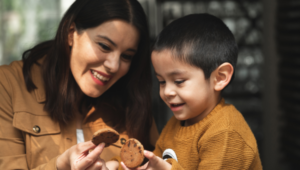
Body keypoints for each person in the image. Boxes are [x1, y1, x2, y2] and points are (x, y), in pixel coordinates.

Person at [0, 0, 159, 169]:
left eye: (126, 56)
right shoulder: (9, 85)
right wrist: (60, 166)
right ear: (71, 33)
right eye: (104, 46)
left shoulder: (133, 100)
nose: (114, 65)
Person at [122, 13, 263, 170]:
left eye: (179, 81)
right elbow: (154, 163)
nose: (167, 92)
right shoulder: (175, 125)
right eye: (162, 81)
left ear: (220, 77)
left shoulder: (226, 132)